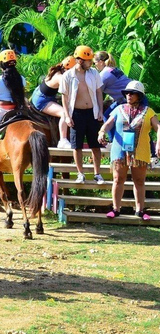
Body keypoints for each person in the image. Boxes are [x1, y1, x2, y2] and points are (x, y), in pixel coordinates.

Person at [98, 81, 159, 221]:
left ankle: (140, 210)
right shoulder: (119, 109)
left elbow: (158, 127)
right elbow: (108, 124)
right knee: (118, 179)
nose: (129, 96)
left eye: (132, 93)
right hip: (120, 150)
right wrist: (102, 132)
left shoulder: (148, 111)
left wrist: (158, 143)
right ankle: (115, 209)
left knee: (139, 180)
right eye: (127, 93)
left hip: (140, 151)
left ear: (139, 95)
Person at [60, 45, 105, 184]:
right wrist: (67, 116)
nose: (91, 63)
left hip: (92, 112)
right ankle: (81, 173)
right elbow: (64, 97)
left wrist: (100, 111)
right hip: (76, 113)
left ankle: (97, 174)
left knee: (95, 145)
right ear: (80, 60)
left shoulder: (93, 73)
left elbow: (98, 92)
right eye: (88, 60)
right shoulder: (68, 75)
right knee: (76, 145)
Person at [31, 56, 77, 148]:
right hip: (42, 100)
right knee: (64, 113)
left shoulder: (58, 72)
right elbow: (69, 93)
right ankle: (63, 140)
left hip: (43, 95)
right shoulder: (60, 77)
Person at [94, 51, 131, 118]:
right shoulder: (113, 69)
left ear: (101, 62)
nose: (94, 65)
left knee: (106, 116)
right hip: (130, 97)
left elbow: (96, 93)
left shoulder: (103, 75)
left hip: (127, 100)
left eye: (94, 63)